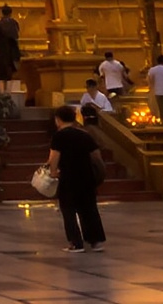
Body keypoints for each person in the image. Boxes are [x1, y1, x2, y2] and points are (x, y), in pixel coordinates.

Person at [49, 106, 103, 251]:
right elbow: (96, 156)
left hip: (68, 177)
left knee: (69, 211)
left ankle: (76, 243)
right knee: (89, 209)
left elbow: (54, 157)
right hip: (86, 177)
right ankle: (96, 241)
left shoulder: (59, 136)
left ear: (58, 119)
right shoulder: (84, 134)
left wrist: (53, 172)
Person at [0, 6, 23, 87]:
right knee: (11, 74)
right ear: (11, 13)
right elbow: (16, 37)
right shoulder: (14, 24)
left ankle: (2, 93)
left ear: (1, 12)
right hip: (11, 53)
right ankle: (9, 93)